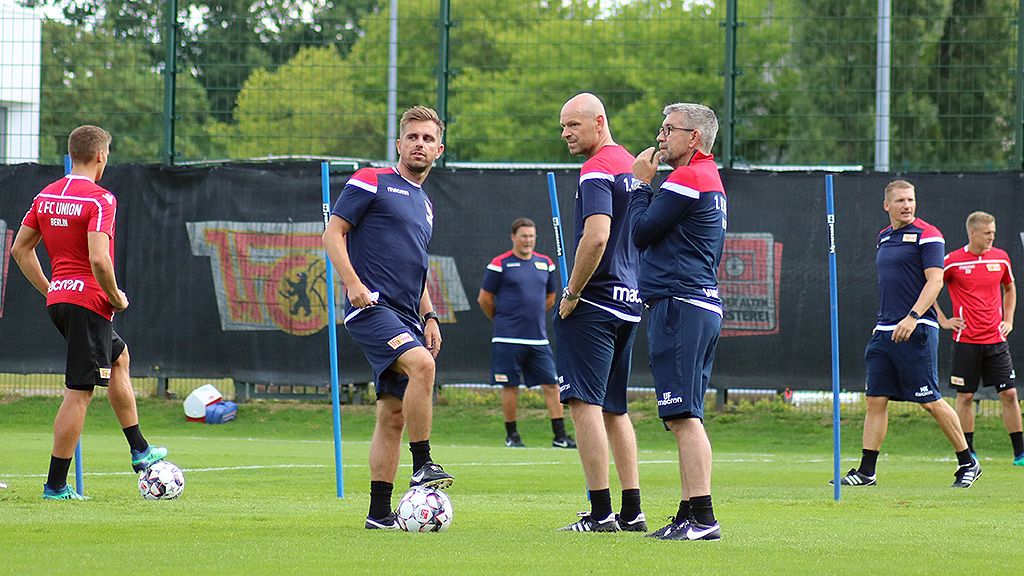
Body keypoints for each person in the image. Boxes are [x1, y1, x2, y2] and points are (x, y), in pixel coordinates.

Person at [11, 125, 167, 501]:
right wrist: (115, 296)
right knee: (79, 392)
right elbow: (99, 258)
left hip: (61, 300)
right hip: (89, 303)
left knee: (119, 358)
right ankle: (55, 486)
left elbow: (20, 250)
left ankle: (140, 450)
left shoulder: (45, 195)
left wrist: (51, 288)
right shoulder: (100, 200)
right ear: (101, 156)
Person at [322, 105, 453, 530]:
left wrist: (430, 315)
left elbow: (415, 266)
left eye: (428, 139)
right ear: (399, 144)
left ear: (439, 149)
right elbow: (332, 233)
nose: (419, 144)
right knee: (422, 365)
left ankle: (379, 513)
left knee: (392, 415)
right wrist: (352, 283)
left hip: (408, 315)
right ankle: (423, 464)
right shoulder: (371, 179)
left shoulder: (426, 203)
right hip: (371, 309)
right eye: (412, 137)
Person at [834, 180, 980, 489]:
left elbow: (935, 282)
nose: (907, 205)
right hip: (884, 332)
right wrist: (886, 323)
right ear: (887, 205)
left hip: (916, 331)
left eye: (911, 200)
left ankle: (968, 462)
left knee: (930, 400)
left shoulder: (929, 235)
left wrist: (913, 317)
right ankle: (867, 471)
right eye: (900, 200)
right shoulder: (884, 237)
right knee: (875, 400)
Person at [629, 103, 726, 541]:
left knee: (684, 416)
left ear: (694, 138)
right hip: (696, 303)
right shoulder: (708, 178)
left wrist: (638, 185)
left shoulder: (688, 177)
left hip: (681, 303)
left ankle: (703, 518)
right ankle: (688, 514)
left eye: (669, 130)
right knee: (683, 415)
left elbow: (641, 231)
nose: (661, 136)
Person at [555, 92, 645, 533]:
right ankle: (632, 510)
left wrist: (571, 292)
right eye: (563, 127)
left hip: (594, 302)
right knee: (615, 409)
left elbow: (596, 237)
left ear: (599, 121)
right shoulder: (631, 165)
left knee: (583, 404)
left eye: (574, 125)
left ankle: (600, 512)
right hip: (629, 302)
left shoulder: (596, 169)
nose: (567, 134)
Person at [933, 211, 1023, 466]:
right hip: (966, 342)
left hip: (996, 341)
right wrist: (943, 320)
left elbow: (1010, 288)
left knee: (1009, 394)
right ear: (973, 233)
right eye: (987, 233)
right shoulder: (952, 261)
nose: (991, 237)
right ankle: (968, 452)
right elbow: (930, 286)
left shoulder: (1001, 258)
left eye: (993, 232)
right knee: (966, 397)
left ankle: (1020, 453)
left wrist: (1008, 320)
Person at [478, 217, 576, 449]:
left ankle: (560, 436)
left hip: (538, 339)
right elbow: (484, 299)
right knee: (510, 386)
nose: (528, 240)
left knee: (552, 384)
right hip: (506, 338)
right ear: (514, 237)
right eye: (523, 236)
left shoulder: (545, 263)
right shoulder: (500, 263)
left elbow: (551, 297)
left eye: (531, 236)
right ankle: (512, 436)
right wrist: (502, 319)